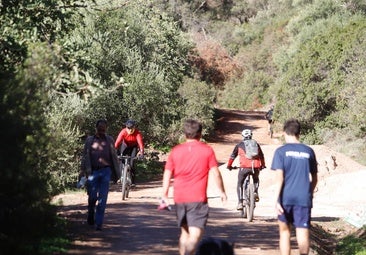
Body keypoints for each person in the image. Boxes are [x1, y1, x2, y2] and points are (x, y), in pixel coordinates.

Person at [161, 119, 227, 255]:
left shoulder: (176, 150)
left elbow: (167, 173)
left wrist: (165, 194)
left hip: (179, 198)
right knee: (196, 235)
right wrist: (222, 191)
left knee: (185, 233)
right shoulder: (207, 150)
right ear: (200, 134)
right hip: (197, 198)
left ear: (185, 134)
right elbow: (216, 172)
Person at [271, 119, 318, 255]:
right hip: (303, 198)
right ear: (299, 133)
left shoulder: (280, 152)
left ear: (285, 132)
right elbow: (314, 178)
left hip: (285, 198)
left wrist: (275, 200)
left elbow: (279, 177)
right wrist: (309, 192)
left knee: (285, 232)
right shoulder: (309, 151)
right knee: (302, 233)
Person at [80, 119, 120, 231]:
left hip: (106, 171)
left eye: (103, 129)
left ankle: (99, 223)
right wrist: (82, 172)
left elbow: (114, 156)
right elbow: (85, 157)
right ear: (96, 128)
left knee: (103, 198)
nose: (101, 131)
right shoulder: (89, 140)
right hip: (92, 172)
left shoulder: (109, 140)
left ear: (106, 129)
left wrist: (117, 172)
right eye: (100, 129)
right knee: (92, 196)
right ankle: (91, 212)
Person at [226, 129, 265, 210]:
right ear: (251, 135)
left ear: (243, 136)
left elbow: (232, 156)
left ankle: (240, 202)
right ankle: (255, 192)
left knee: (240, 183)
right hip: (255, 166)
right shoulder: (256, 144)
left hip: (244, 167)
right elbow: (261, 156)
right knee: (256, 178)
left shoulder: (239, 145)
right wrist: (262, 165)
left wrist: (229, 166)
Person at [114, 119, 144, 185]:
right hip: (125, 146)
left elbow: (140, 144)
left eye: (132, 128)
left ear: (134, 127)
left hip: (134, 147)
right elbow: (117, 142)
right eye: (128, 128)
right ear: (126, 127)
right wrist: (114, 151)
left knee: (132, 163)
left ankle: (133, 181)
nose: (130, 130)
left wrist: (141, 153)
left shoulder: (137, 133)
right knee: (121, 160)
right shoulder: (123, 132)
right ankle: (119, 177)